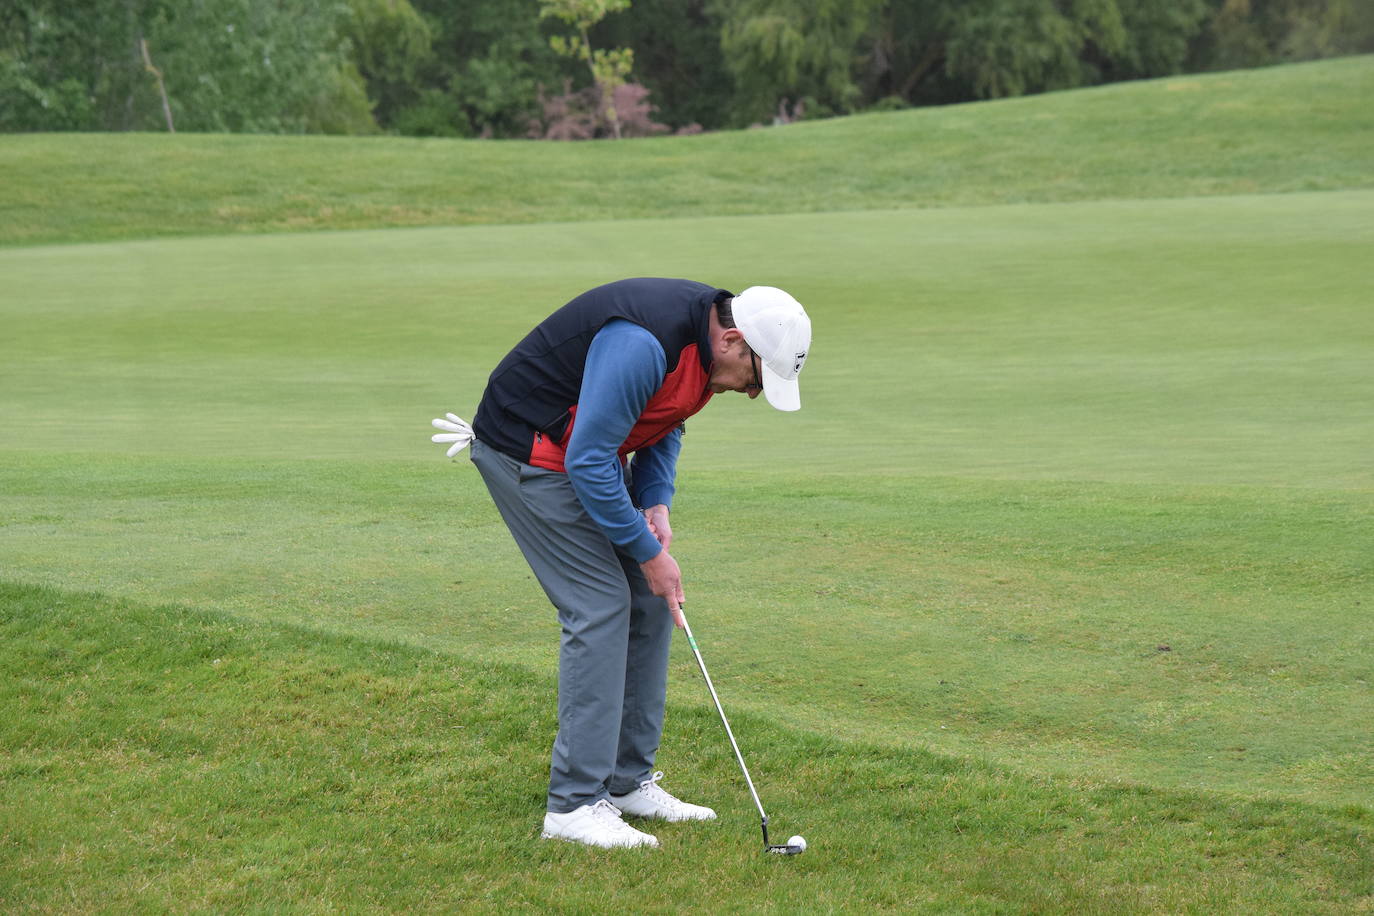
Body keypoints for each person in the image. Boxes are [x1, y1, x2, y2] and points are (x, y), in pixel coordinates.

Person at [431, 278, 811, 849]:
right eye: (758, 377)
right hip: (528, 450)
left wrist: (655, 502)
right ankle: (574, 805)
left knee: (653, 604)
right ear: (733, 341)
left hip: (583, 454)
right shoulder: (643, 343)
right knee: (600, 605)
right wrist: (649, 553)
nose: (755, 393)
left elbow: (665, 421)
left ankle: (626, 781)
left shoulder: (707, 350)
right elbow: (586, 461)